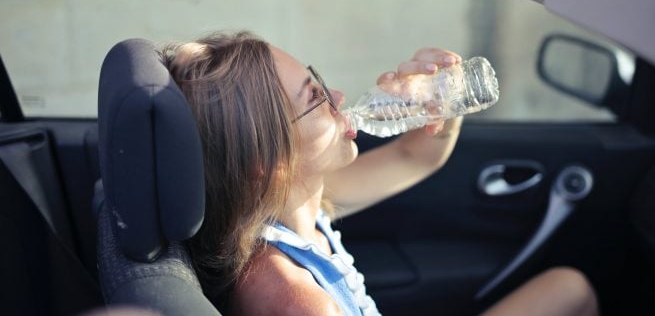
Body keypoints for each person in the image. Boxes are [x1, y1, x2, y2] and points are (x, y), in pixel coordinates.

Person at [161, 31, 598, 316]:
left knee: (569, 287)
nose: (339, 96)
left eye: (318, 80)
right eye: (315, 98)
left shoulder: (289, 206)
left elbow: (415, 158)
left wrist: (444, 102)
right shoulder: (293, 298)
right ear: (268, 161)